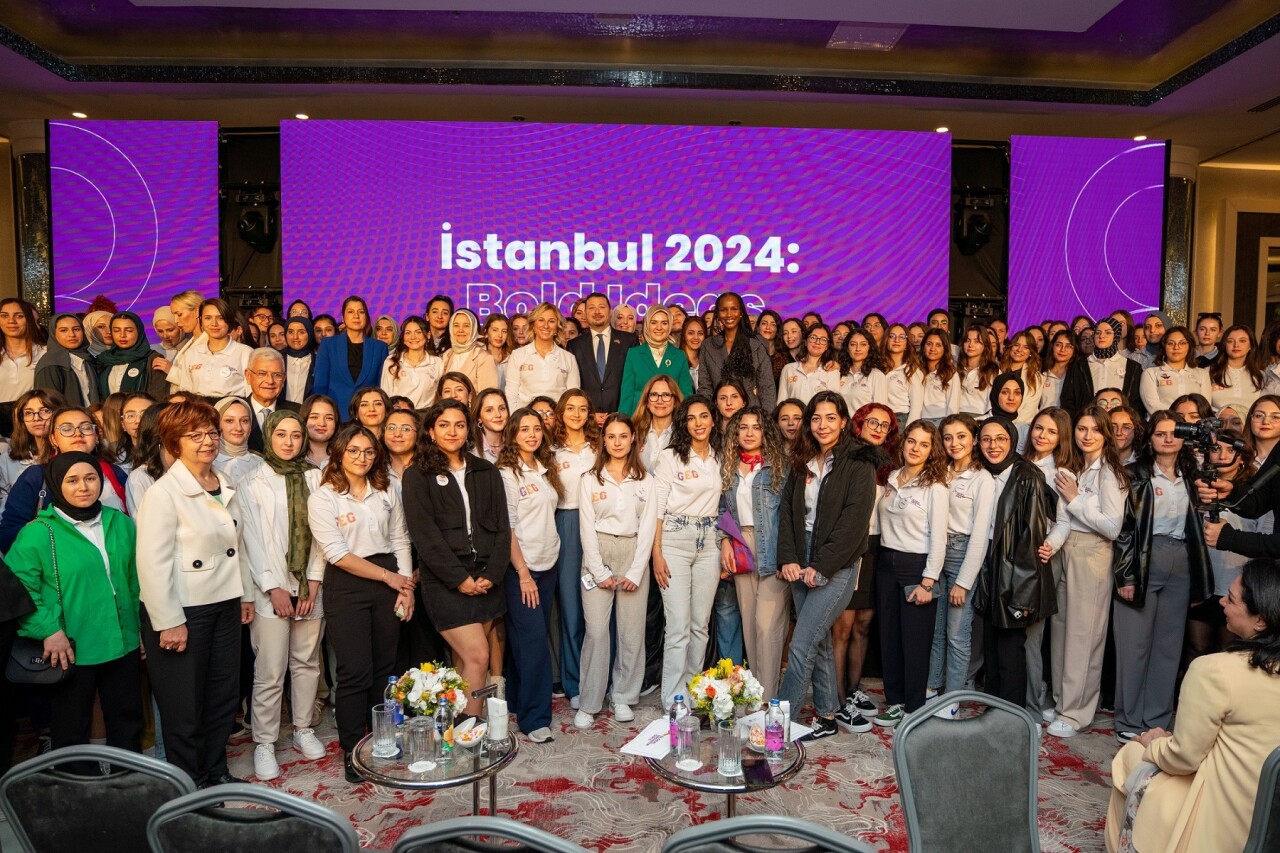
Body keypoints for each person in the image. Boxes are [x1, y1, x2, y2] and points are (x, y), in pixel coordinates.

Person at [1104, 563, 1280, 853]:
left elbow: (1183, 758)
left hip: (1219, 815)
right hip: (1267, 820)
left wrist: (1153, 743)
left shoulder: (1214, 670)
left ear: (1260, 620)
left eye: (1231, 598)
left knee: (1131, 755)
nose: (1221, 601)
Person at [136, 400, 253, 787]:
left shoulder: (223, 481)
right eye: (195, 435)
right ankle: (190, 783)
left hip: (225, 603)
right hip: (184, 610)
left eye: (211, 432)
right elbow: (151, 564)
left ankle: (216, 772)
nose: (207, 441)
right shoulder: (163, 493)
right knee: (184, 705)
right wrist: (168, 621)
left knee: (223, 696)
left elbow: (237, 546)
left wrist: (245, 595)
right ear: (174, 442)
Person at [8, 451, 143, 754]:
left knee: (127, 720)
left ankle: (129, 778)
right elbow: (20, 589)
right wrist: (48, 631)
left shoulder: (120, 523)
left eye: (91, 478)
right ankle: (77, 781)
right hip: (70, 645)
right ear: (57, 484)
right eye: (72, 480)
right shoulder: (38, 533)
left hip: (122, 639)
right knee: (72, 727)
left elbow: (134, 580)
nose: (83, 487)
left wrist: (140, 627)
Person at [307, 423, 413, 782]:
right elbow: (336, 554)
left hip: (389, 580)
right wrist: (389, 578)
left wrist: (406, 587)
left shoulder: (386, 488)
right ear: (339, 453)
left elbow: (400, 538)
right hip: (348, 583)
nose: (362, 457)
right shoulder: (324, 498)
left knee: (385, 668)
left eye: (368, 451)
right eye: (353, 450)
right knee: (354, 671)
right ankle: (353, 750)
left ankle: (381, 741)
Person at [777, 391, 879, 739]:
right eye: (816, 418)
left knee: (801, 645)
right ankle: (826, 716)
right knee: (817, 642)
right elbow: (787, 512)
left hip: (837, 562)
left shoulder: (859, 463)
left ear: (844, 421)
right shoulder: (801, 458)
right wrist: (789, 558)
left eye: (830, 418)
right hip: (800, 556)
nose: (822, 425)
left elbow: (854, 524)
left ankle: (780, 722)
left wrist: (821, 566)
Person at [402, 399, 510, 722]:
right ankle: (469, 735)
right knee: (478, 655)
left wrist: (493, 573)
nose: (452, 431)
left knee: (465, 663)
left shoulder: (487, 472)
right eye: (444, 425)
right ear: (431, 431)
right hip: (446, 583)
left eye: (459, 425)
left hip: (486, 580)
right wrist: (459, 579)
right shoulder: (417, 475)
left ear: (468, 430)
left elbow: (503, 528)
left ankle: (450, 731)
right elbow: (425, 537)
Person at [236, 411, 327, 780]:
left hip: (309, 587)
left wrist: (313, 583)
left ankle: (303, 728)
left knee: (306, 662)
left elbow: (323, 534)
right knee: (270, 669)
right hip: (269, 588)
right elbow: (250, 541)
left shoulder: (315, 476)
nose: (289, 442)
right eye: (281, 434)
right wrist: (273, 588)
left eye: (296, 435)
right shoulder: (250, 481)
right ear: (269, 437)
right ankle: (265, 741)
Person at [1111, 410, 1212, 742]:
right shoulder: (1134, 473)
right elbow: (1124, 529)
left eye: (1175, 433)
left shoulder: (1193, 476)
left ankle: (1155, 720)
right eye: (1160, 433)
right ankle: (1128, 721)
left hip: (1181, 560)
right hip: (1144, 559)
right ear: (1149, 438)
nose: (1168, 439)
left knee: (1168, 647)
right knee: (1134, 645)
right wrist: (1125, 575)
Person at [1047, 405, 1129, 738]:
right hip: (1067, 547)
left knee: (1085, 635)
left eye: (1095, 429)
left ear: (1106, 434)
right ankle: (1061, 702)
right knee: (1061, 630)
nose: (1087, 435)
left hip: (1094, 551)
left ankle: (1077, 713)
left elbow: (1112, 527)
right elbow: (1064, 518)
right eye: (1082, 428)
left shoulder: (1111, 473)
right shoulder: (1075, 467)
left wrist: (1075, 498)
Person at [573, 414, 654, 729]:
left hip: (633, 552)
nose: (617, 442)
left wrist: (636, 571)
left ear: (633, 438)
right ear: (603, 440)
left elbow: (647, 528)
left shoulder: (645, 480)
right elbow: (586, 528)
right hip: (598, 551)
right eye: (611, 436)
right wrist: (598, 570)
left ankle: (622, 695)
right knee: (596, 631)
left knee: (631, 632)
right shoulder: (589, 479)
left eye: (623, 436)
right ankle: (590, 701)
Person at [972, 417, 1059, 708]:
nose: (993, 445)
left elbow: (1031, 538)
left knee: (1010, 651)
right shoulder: (982, 472)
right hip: (990, 565)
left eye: (1001, 439)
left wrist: (1021, 596)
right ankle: (993, 712)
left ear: (1012, 441)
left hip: (1016, 572)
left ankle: (1011, 718)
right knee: (992, 649)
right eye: (986, 439)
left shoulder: (1028, 476)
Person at [874, 419, 949, 726]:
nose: (916, 448)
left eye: (924, 444)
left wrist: (928, 582)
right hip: (886, 562)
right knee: (889, 638)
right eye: (911, 441)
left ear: (932, 451)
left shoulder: (935, 487)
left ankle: (914, 708)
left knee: (915, 642)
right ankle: (895, 701)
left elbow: (939, 539)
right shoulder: (891, 477)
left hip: (916, 567)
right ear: (903, 443)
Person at [649, 394, 722, 705]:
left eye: (704, 416)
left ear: (713, 420)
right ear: (684, 423)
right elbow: (656, 508)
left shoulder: (720, 456)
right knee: (678, 626)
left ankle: (695, 693)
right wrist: (656, 553)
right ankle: (674, 699)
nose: (698, 423)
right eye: (691, 418)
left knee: (700, 625)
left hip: (711, 541)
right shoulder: (670, 457)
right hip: (675, 539)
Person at [497, 407, 564, 743]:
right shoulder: (507, 473)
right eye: (524, 429)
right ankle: (534, 719)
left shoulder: (544, 467)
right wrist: (522, 573)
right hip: (522, 570)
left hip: (548, 564)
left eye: (536, 428)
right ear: (512, 434)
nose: (532, 435)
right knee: (534, 642)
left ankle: (516, 700)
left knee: (525, 641)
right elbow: (507, 527)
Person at [718, 405, 791, 701]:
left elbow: (790, 514)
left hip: (773, 546)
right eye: (743, 427)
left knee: (766, 626)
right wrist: (725, 541)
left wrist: (788, 556)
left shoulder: (780, 466)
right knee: (749, 625)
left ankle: (768, 700)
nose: (749, 433)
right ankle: (754, 696)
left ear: (766, 432)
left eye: (756, 427)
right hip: (741, 546)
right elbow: (722, 509)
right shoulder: (729, 466)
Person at [832, 404, 896, 731]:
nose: (878, 428)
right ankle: (838, 700)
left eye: (885, 425)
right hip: (850, 547)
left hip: (877, 547)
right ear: (858, 423)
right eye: (873, 421)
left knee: (864, 624)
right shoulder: (847, 457)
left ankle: (854, 691)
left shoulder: (890, 466)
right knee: (842, 627)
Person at [926, 414, 995, 718]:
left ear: (974, 440)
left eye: (961, 436)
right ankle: (932, 689)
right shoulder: (938, 472)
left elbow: (980, 534)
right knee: (935, 630)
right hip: (935, 552)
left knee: (957, 633)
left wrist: (964, 582)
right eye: (948, 437)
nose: (954, 443)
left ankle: (952, 699)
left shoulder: (982, 479)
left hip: (962, 553)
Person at [0, 405, 129, 553]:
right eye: (66, 429)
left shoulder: (116, 473)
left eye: (86, 427)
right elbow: (6, 536)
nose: (78, 433)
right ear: (53, 439)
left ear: (97, 436)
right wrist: (43, 529)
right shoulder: (37, 477)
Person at [550, 390, 598, 712]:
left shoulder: (599, 447)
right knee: (571, 607)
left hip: (599, 525)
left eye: (583, 408)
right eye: (570, 408)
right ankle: (573, 681)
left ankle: (599, 677)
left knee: (599, 606)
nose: (577, 414)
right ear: (561, 412)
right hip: (566, 523)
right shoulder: (551, 450)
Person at [311, 297, 390, 415]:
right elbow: (320, 384)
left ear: (366, 317)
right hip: (336, 413)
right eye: (350, 312)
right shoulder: (328, 344)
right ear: (343, 317)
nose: (356, 316)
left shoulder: (379, 347)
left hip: (368, 414)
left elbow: (380, 386)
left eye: (361, 312)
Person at [698, 292, 776, 410]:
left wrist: (767, 418)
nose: (729, 314)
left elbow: (767, 387)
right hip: (719, 413)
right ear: (717, 314)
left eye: (734, 309)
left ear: (741, 313)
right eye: (723, 310)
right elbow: (705, 388)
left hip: (750, 413)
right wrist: (706, 414)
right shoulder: (708, 346)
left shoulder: (757, 344)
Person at [568, 293, 640, 417]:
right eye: (591, 308)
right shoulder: (574, 345)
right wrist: (589, 414)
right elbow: (574, 386)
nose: (597, 312)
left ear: (610, 311)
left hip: (621, 417)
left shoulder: (629, 341)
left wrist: (622, 414)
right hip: (587, 418)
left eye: (601, 307)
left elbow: (635, 383)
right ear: (585, 313)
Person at [166, 298, 253, 398]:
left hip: (231, 406)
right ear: (201, 321)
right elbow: (185, 390)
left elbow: (251, 392)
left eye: (220, 318)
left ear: (229, 321)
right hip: (198, 407)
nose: (214, 324)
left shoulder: (245, 353)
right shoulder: (192, 353)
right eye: (208, 318)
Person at [505, 302, 579, 410]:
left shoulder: (569, 358)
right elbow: (511, 396)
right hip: (525, 416)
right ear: (533, 326)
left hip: (557, 417)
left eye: (551, 321)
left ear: (557, 327)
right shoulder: (517, 355)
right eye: (541, 320)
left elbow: (573, 397)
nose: (546, 326)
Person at [620, 307, 692, 416]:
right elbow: (627, 395)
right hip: (639, 419)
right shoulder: (633, 354)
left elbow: (686, 395)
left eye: (664, 323)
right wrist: (623, 422)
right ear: (647, 325)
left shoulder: (679, 356)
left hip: (671, 420)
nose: (659, 327)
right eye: (654, 322)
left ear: (670, 325)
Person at [0, 389, 63, 512]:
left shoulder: (69, 453)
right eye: (28, 413)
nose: (36, 418)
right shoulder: (8, 458)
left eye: (45, 411)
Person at [0, 299, 48, 437]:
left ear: (29, 319)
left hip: (35, 422)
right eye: (4, 315)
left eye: (19, 316)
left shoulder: (45, 353)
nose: (11, 321)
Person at [1139, 325, 1211, 415]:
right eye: (1171, 343)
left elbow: (1205, 407)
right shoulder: (1150, 373)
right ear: (1164, 347)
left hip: (1194, 422)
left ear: (1189, 347)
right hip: (1162, 422)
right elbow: (1153, 406)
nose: (1176, 347)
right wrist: (1178, 418)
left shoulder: (1202, 374)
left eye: (1182, 343)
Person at [96, 312, 169, 399]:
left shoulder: (152, 359)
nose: (122, 335)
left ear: (139, 331)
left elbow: (159, 395)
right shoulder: (104, 359)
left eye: (129, 330)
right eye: (116, 330)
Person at [34, 313, 99, 407]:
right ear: (54, 334)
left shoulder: (88, 359)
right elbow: (48, 404)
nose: (72, 335)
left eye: (76, 329)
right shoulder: (50, 364)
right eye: (63, 330)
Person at [243, 347, 299, 453]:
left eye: (277, 375)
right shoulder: (236, 411)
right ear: (248, 376)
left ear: (284, 379)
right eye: (262, 374)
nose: (270, 381)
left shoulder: (297, 412)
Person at [381, 315, 442, 409]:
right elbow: (386, 394)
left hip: (425, 414)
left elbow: (439, 396)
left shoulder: (437, 363)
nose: (413, 337)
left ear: (428, 335)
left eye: (418, 332)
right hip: (399, 414)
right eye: (408, 333)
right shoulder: (391, 361)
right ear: (403, 338)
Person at [777, 322, 840, 406]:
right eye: (813, 337)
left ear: (827, 346)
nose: (817, 342)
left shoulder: (832, 371)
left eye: (823, 339)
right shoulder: (789, 369)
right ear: (806, 342)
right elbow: (781, 403)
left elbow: (834, 405)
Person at [441, 309, 499, 396]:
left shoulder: (483, 357)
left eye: (466, 326)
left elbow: (488, 395)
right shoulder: (447, 355)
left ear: (473, 329)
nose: (460, 330)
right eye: (456, 325)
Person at [1209, 324, 1263, 416]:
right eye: (1230, 341)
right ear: (1224, 345)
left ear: (1250, 345)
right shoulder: (1209, 372)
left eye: (1242, 341)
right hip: (1218, 423)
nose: (1236, 345)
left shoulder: (1261, 375)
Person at [882, 323, 924, 426]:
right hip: (879, 419)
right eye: (892, 336)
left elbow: (916, 408)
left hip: (900, 421)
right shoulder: (877, 368)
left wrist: (909, 431)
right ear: (886, 340)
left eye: (902, 337)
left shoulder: (912, 371)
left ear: (907, 343)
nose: (897, 340)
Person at [212, 397, 261, 485]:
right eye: (229, 421)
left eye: (244, 421)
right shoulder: (206, 464)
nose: (238, 428)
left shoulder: (260, 463)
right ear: (216, 424)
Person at [998, 331, 1043, 423]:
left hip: (1020, 424)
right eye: (1016, 345)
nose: (1019, 350)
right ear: (1010, 347)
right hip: (995, 421)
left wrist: (1009, 425)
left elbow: (1029, 409)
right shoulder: (997, 369)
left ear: (1031, 352)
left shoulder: (1036, 377)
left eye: (1026, 347)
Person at [957, 325, 998, 419]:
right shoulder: (955, 368)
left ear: (985, 344)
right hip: (956, 417)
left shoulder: (993, 371)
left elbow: (994, 407)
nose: (971, 345)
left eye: (976, 341)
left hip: (981, 419)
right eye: (967, 340)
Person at [920, 329, 959, 425]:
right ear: (923, 346)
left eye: (938, 345)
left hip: (941, 421)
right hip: (919, 420)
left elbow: (953, 405)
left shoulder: (950, 373)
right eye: (929, 344)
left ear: (945, 348)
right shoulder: (916, 370)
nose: (932, 349)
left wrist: (948, 425)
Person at [282, 316, 316, 405]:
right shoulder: (277, 359)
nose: (295, 337)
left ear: (310, 334)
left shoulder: (318, 361)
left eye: (301, 332)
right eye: (290, 332)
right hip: (280, 411)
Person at [301, 394, 339, 469]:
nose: (322, 423)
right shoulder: (292, 456)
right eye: (314, 417)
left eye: (329, 418)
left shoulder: (344, 458)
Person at [473, 388, 509, 463]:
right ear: (479, 418)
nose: (498, 415)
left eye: (502, 409)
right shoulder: (471, 449)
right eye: (489, 410)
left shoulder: (517, 443)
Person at [482, 313, 513, 391]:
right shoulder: (478, 356)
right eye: (495, 330)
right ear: (486, 333)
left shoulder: (512, 359)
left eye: (504, 331)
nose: (500, 335)